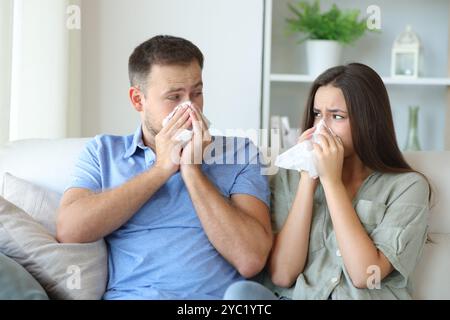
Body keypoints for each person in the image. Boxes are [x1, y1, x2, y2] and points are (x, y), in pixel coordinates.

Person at [56, 35, 272, 300]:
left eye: (197, 93)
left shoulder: (240, 153)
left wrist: (191, 170)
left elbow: (251, 259)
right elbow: (70, 230)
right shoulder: (104, 152)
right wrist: (161, 169)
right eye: (174, 96)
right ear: (138, 100)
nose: (190, 107)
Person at [224, 63, 431, 300]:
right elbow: (282, 275)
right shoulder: (291, 177)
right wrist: (308, 178)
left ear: (369, 121)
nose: (321, 127)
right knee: (241, 294)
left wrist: (332, 183)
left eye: (337, 116)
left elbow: (364, 275)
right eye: (317, 114)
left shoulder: (407, 187)